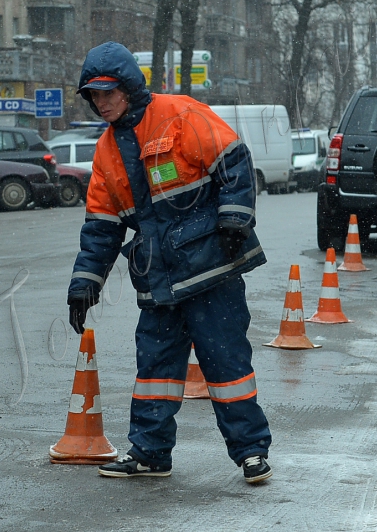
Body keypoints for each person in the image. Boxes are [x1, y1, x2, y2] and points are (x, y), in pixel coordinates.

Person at [66, 41, 273, 484]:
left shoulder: (179, 113)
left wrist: (235, 218)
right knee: (155, 369)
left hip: (210, 269)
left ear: (128, 87)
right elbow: (101, 227)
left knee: (227, 363)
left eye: (108, 92)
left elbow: (232, 161)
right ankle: (150, 453)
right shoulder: (105, 153)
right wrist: (85, 282)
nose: (101, 103)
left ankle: (252, 452)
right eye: (94, 95)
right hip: (158, 278)